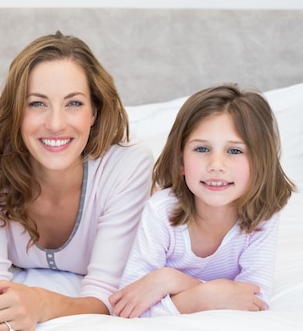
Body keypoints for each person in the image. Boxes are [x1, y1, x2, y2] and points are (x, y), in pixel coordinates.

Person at [0, 32, 154, 331]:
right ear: (17, 111)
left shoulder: (127, 166)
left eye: (74, 103)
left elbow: (105, 299)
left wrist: (42, 302)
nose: (56, 124)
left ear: (94, 111)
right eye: (37, 104)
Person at [109, 84, 295, 318]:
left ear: (261, 163)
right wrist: (214, 295)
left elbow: (254, 300)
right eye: (202, 148)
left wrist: (175, 281)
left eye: (235, 151)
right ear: (181, 162)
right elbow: (130, 306)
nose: (216, 164)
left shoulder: (263, 214)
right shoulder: (160, 212)